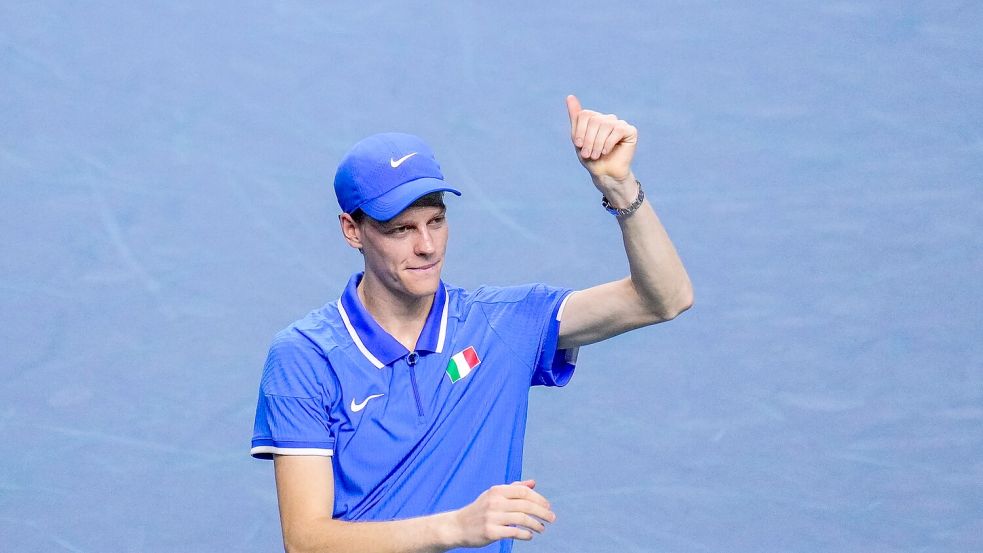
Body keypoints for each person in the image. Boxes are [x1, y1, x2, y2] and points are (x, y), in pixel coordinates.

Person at [251, 95, 693, 553]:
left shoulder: (503, 325)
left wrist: (620, 187)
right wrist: (456, 528)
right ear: (352, 230)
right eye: (402, 229)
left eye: (436, 222)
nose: (427, 246)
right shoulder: (305, 355)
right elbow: (306, 541)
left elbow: (664, 299)